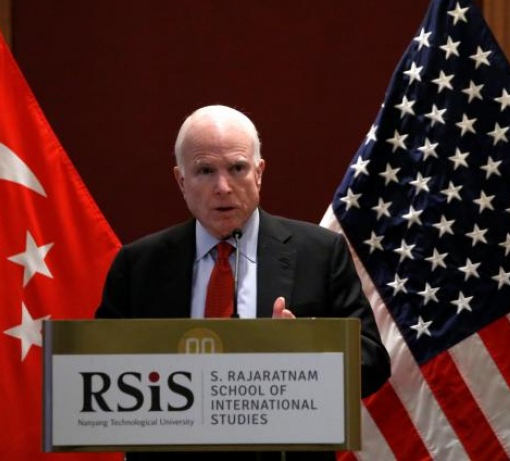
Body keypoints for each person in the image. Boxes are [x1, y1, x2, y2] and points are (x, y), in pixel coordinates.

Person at [96, 104, 390, 461]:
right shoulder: (138, 265)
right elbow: (100, 369)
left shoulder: (320, 253)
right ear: (181, 181)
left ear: (259, 173)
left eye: (237, 168)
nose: (223, 187)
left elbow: (373, 363)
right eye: (205, 171)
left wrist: (309, 349)